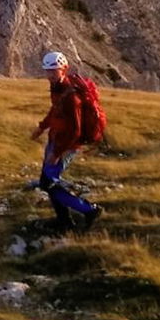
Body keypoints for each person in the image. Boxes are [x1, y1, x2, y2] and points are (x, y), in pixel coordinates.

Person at [29, 50, 105, 232]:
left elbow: (75, 130)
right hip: (55, 140)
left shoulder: (71, 97)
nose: (50, 75)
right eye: (48, 71)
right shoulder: (58, 90)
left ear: (64, 69)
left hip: (66, 146)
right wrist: (42, 127)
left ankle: (89, 210)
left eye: (54, 71)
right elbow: (55, 111)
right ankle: (64, 221)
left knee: (48, 183)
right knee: (49, 182)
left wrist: (56, 153)